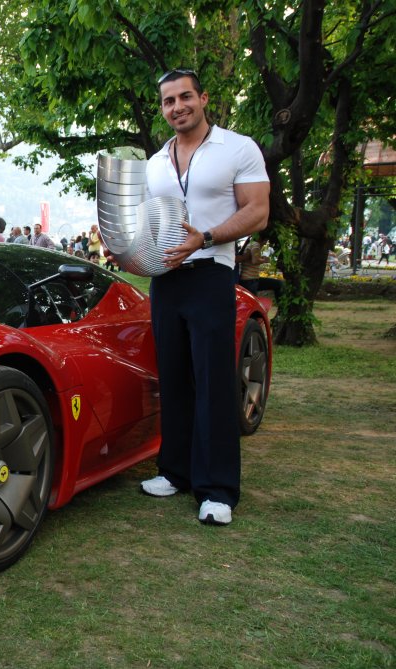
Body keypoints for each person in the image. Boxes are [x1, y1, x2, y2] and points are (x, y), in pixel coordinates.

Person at [136, 69, 269, 526]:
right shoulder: (155, 162)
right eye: (169, 100)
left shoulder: (237, 147)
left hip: (212, 272)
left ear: (203, 98)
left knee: (212, 379)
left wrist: (206, 237)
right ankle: (174, 470)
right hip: (166, 279)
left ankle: (217, 490)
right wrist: (133, 251)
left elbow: (258, 210)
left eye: (185, 97)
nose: (178, 107)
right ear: (162, 108)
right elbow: (146, 223)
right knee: (173, 376)